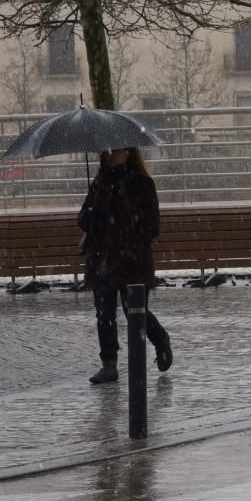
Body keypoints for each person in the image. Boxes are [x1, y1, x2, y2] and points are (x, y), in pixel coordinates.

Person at [79, 147, 173, 384]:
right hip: (102, 258)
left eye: (116, 150)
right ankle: (109, 364)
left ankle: (160, 340)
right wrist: (94, 214)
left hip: (132, 261)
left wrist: (127, 235)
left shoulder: (142, 184)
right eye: (106, 151)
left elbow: (152, 226)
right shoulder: (100, 182)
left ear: (129, 152)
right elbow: (83, 219)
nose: (110, 155)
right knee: (104, 314)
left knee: (134, 312)